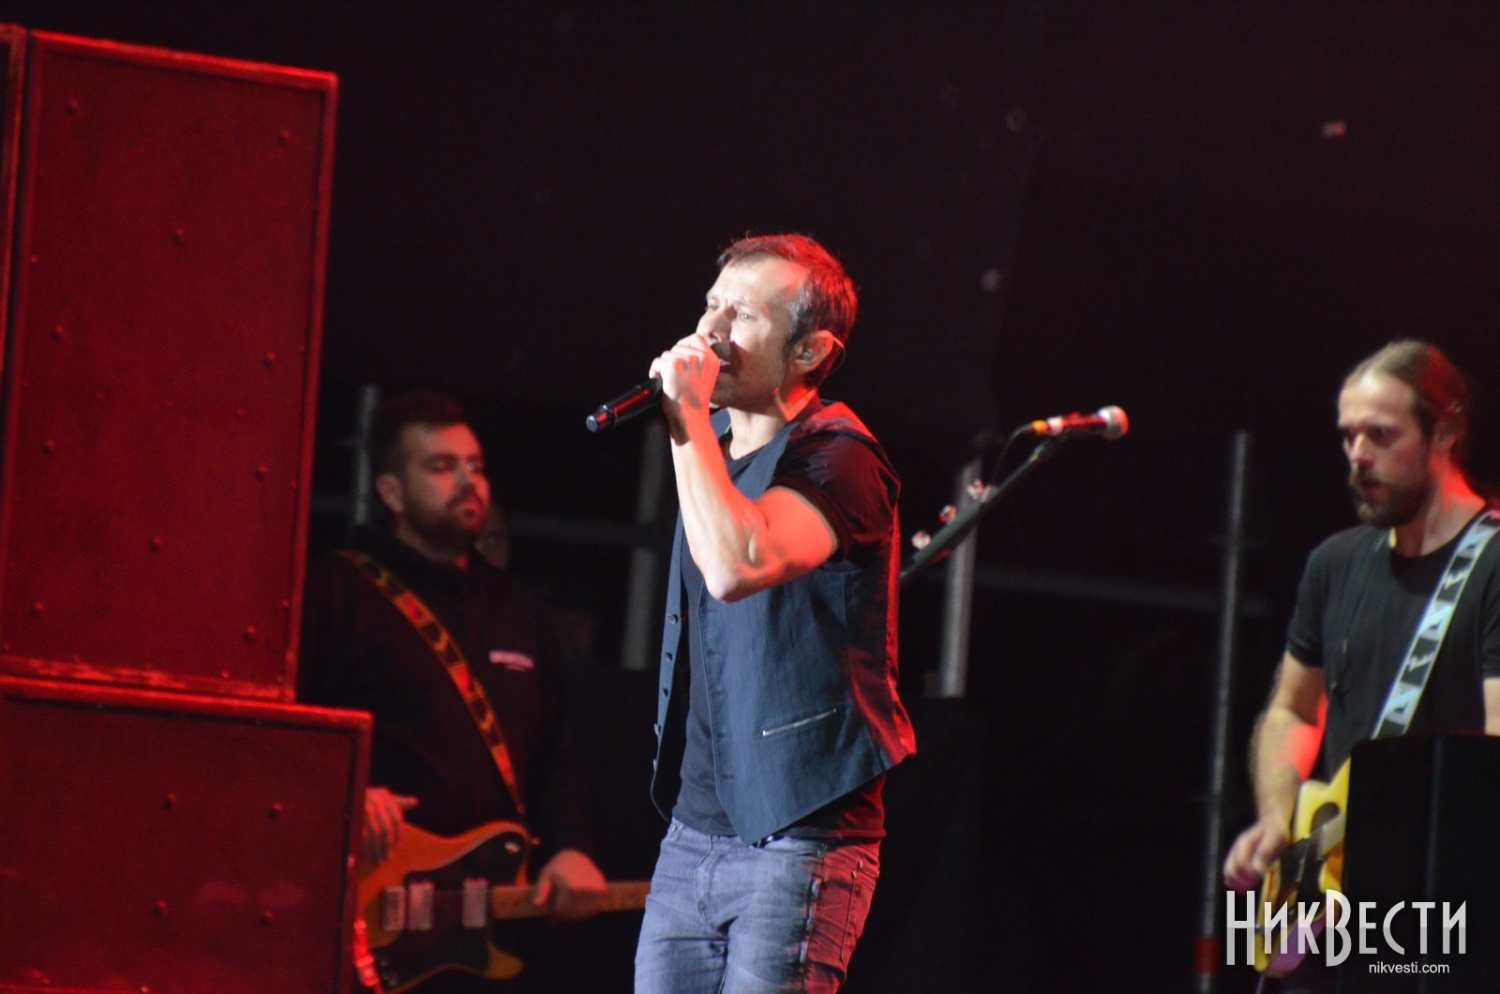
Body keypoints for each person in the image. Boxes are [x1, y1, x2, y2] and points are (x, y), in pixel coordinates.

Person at [634, 234, 916, 994]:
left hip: (800, 836)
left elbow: (738, 565)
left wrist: (686, 419)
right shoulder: (714, 446)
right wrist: (697, 429)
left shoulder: (841, 458)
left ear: (810, 351)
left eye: (744, 315)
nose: (711, 330)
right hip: (692, 832)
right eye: (711, 305)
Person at [297, 393, 607, 990]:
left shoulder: (517, 608)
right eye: (441, 467)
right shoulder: (337, 592)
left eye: (476, 466)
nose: (468, 482)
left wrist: (572, 846)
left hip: (483, 937)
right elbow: (282, 732)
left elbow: (559, 755)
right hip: (364, 921)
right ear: (391, 492)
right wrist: (344, 789)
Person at [1222, 340, 1500, 991]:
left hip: (1441, 920)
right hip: (1333, 919)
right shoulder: (1335, 563)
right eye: (1348, 436)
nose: (1358, 455)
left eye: (1381, 435)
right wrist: (1278, 819)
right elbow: (1293, 710)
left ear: (1446, 432)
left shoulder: (1492, 567)